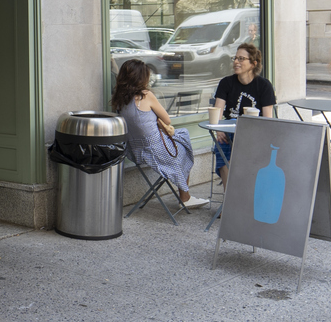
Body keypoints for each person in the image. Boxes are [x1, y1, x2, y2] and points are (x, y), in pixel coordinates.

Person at [111, 59, 208, 208]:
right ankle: (185, 197)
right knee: (184, 147)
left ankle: (185, 196)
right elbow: (167, 120)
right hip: (157, 151)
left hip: (135, 152)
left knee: (181, 138)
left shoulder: (119, 101)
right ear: (141, 77)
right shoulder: (145, 95)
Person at [209, 42, 275, 187]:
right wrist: (219, 129)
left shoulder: (264, 86)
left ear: (253, 64)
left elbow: (268, 120)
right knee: (222, 146)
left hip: (254, 132)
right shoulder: (226, 83)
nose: (236, 62)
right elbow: (218, 109)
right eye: (235, 58)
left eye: (241, 59)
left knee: (243, 155)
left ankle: (241, 197)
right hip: (229, 129)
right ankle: (228, 202)